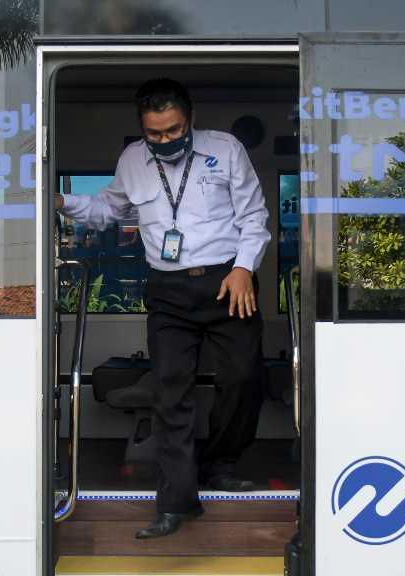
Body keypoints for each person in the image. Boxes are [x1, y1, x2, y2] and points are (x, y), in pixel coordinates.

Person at [56, 78, 271, 539]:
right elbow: (106, 211)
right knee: (171, 392)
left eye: (173, 131)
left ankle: (220, 463)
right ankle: (176, 501)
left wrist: (243, 268)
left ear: (189, 120)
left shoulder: (226, 149)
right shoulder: (133, 159)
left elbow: (254, 217)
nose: (164, 140)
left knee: (244, 379)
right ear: (143, 128)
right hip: (168, 291)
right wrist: (59, 202)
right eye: (155, 133)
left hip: (227, 280)